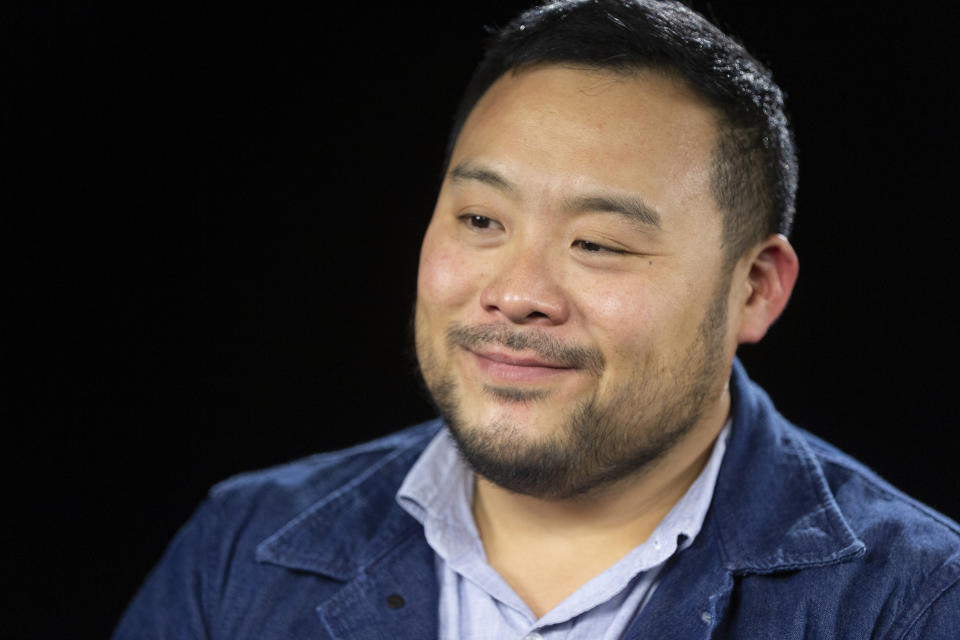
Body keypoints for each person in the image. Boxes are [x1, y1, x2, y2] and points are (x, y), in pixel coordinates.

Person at [113, 1, 960, 637]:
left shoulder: (917, 601)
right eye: (481, 221)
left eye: (597, 243)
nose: (518, 292)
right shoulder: (243, 548)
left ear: (756, 289)